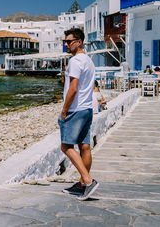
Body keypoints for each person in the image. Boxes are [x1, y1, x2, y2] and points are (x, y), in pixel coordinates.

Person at [59, 28, 99, 200]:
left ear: (79, 42)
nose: (66, 45)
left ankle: (88, 181)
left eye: (69, 41)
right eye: (65, 42)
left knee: (66, 146)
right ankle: (83, 184)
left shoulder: (75, 61)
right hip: (87, 108)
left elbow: (73, 88)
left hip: (75, 109)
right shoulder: (88, 61)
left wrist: (64, 110)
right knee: (85, 146)